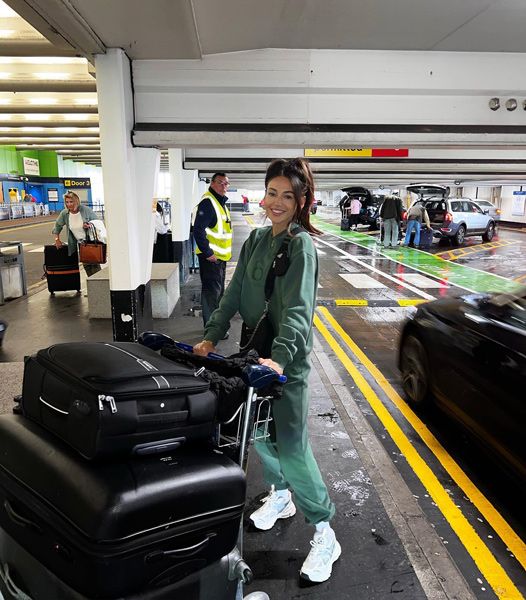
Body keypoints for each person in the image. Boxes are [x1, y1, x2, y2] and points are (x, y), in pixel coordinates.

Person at [193, 158, 340, 584]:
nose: (276, 202)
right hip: (254, 359)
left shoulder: (301, 247)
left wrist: (281, 357)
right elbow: (233, 294)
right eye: (272, 192)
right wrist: (210, 335)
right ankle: (280, 498)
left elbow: (297, 311)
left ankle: (325, 530)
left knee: (292, 448)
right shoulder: (256, 239)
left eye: (287, 196)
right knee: (259, 436)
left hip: (285, 366)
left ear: (301, 202)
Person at [193, 173, 233, 328]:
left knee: (218, 294)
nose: (224, 186)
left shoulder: (220, 203)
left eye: (226, 183)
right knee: (211, 294)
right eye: (221, 183)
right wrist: (208, 253)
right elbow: (198, 230)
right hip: (211, 259)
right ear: (213, 184)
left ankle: (216, 327)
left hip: (220, 258)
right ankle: (211, 329)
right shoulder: (208, 203)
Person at [52, 191, 102, 277]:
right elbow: (57, 225)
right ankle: (94, 285)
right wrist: (57, 239)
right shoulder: (65, 213)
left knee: (94, 265)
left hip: (91, 242)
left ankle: (98, 285)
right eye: (67, 202)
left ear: (76, 201)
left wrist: (89, 224)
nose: (69, 204)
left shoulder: (85, 210)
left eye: (71, 202)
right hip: (80, 244)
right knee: (87, 266)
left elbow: (97, 222)